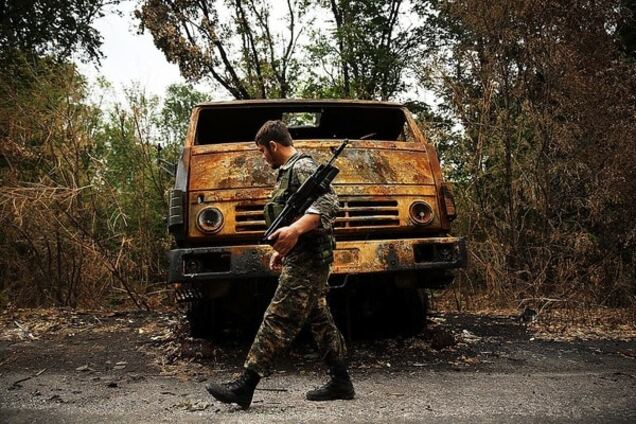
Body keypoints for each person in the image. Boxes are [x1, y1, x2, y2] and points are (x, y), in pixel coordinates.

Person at [205, 120, 355, 409]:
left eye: (262, 151)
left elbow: (330, 204)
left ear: (273, 146)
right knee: (319, 319)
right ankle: (341, 381)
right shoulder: (288, 173)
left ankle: (245, 385)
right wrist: (285, 247)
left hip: (310, 259)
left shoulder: (301, 167)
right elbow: (300, 213)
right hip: (302, 255)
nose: (263, 158)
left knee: (278, 317)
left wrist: (295, 231)